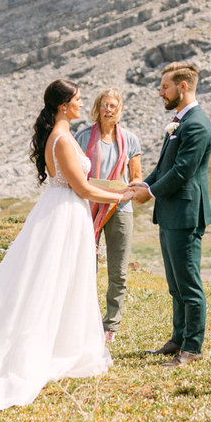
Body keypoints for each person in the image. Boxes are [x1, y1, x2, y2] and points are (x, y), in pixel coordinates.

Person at [0, 80, 119, 409]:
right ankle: (43, 348)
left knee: (61, 280)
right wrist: (122, 194)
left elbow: (79, 185)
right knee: (50, 281)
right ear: (63, 106)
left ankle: (60, 342)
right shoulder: (63, 138)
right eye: (78, 100)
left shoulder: (61, 135)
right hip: (64, 213)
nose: (83, 105)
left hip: (63, 210)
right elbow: (82, 189)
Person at [126, 61, 211, 367]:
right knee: (175, 284)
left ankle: (192, 347)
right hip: (170, 214)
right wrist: (142, 183)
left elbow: (182, 171)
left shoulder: (197, 124)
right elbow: (164, 167)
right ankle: (177, 339)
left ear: (183, 86)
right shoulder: (179, 122)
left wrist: (148, 193)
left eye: (164, 87)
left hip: (187, 214)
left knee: (189, 283)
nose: (160, 92)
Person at [73, 88, 143, 344]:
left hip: (119, 209)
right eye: (104, 105)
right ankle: (84, 319)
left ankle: (110, 324)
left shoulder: (131, 140)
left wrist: (127, 191)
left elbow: (136, 177)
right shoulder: (81, 137)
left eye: (113, 105)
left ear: (120, 109)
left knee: (118, 271)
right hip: (88, 208)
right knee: (85, 267)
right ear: (97, 108)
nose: (108, 109)